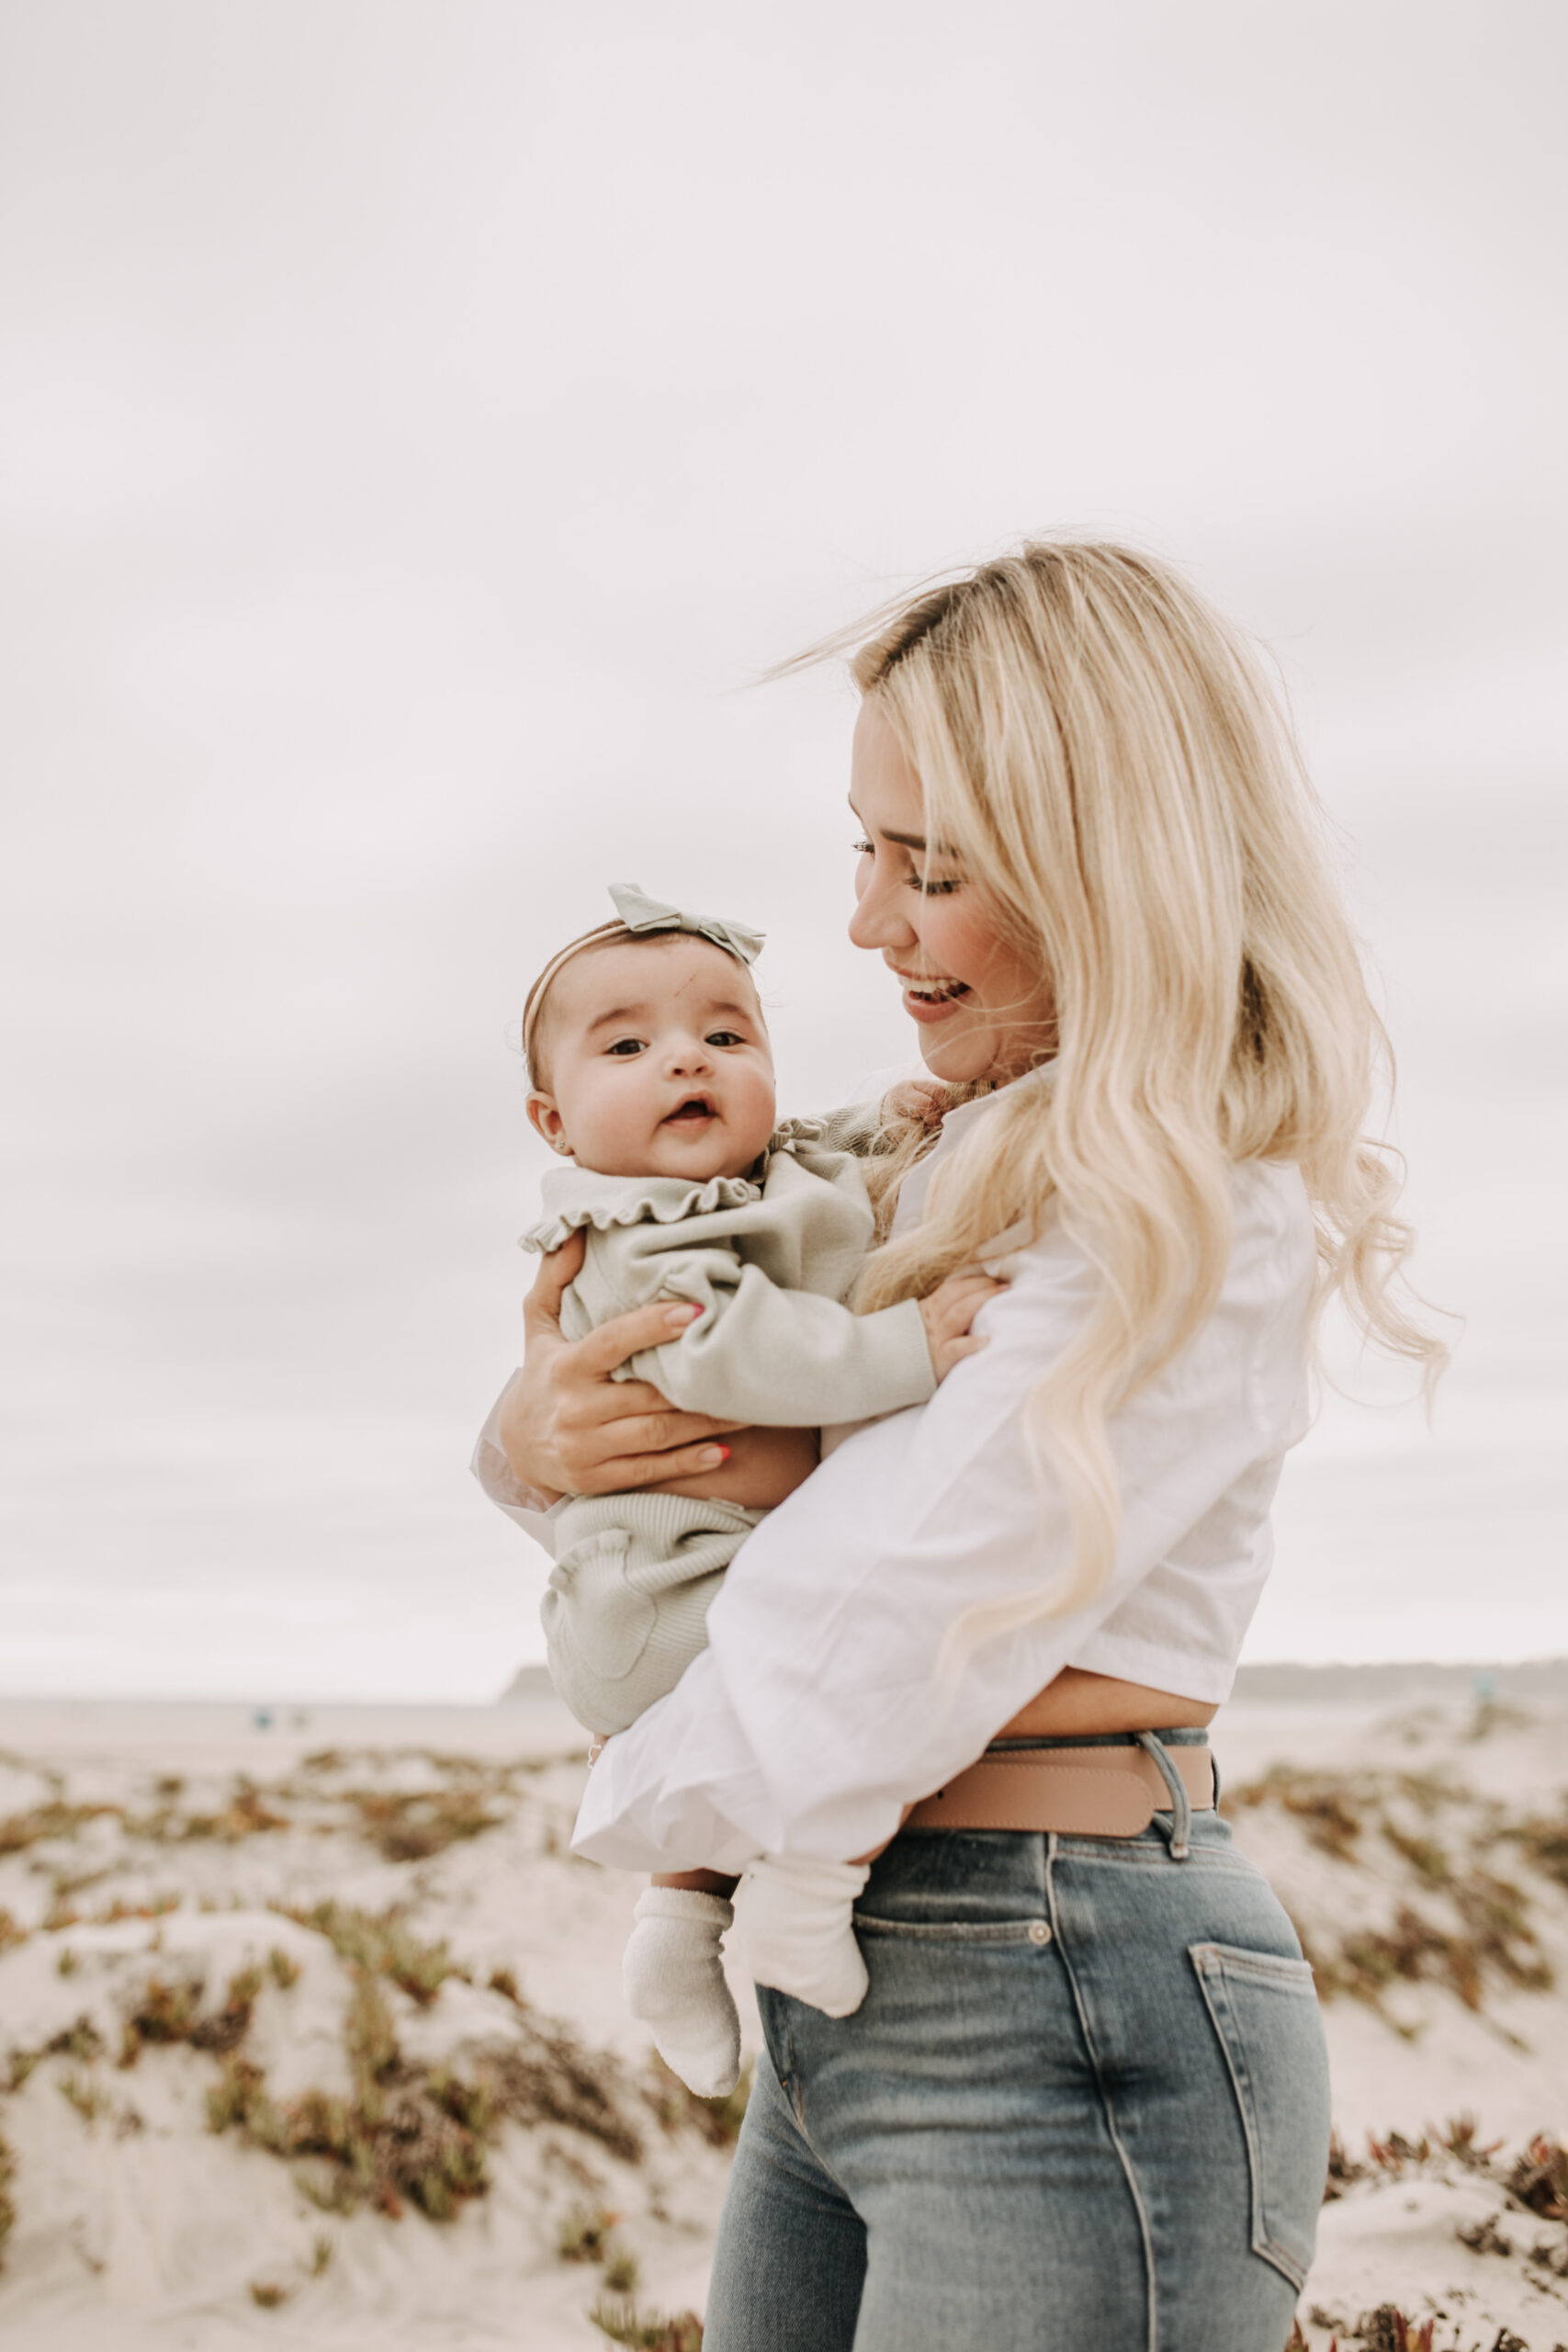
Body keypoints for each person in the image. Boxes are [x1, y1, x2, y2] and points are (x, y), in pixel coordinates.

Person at [477, 540, 1447, 2350]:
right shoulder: (936, 1148)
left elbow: (883, 1582)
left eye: (929, 867)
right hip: (860, 1985)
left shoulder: (1186, 1192)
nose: (862, 922)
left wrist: (642, 1789)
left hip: (1052, 1972)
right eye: (865, 848)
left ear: (1105, 865)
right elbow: (722, 1444)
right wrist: (534, 1432)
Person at [502, 878, 998, 2096]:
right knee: (865, 1676)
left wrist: (890, 1119)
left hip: (688, 1570)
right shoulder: (638, 1237)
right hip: (667, 1590)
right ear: (553, 1121)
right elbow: (732, 1347)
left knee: (801, 1694)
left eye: (727, 1036)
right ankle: (801, 1891)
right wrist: (906, 1352)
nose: (689, 1061)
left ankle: (677, 1935)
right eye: (628, 1046)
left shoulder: (742, 1178)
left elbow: (806, 1156)